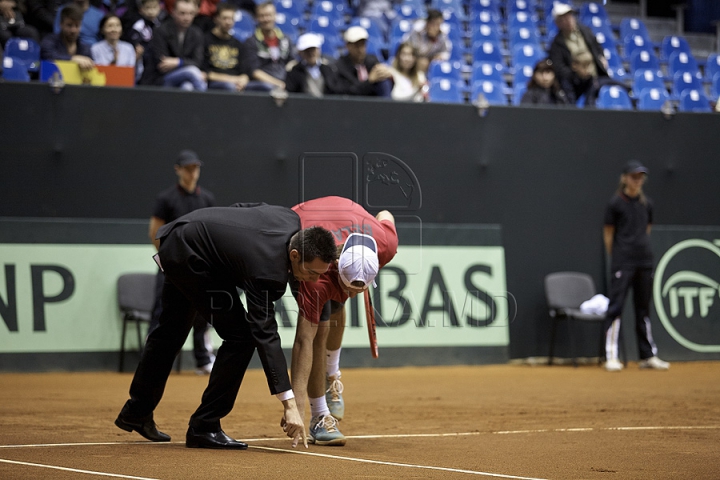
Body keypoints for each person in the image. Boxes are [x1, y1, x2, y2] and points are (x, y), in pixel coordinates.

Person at [116, 203, 338, 449]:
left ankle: (136, 411)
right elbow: (266, 335)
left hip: (183, 237)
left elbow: (243, 208)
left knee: (170, 331)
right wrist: (289, 404)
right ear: (294, 255)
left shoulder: (288, 218)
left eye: (321, 274)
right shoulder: (268, 273)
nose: (315, 281)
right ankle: (205, 425)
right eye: (311, 272)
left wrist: (221, 241)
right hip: (193, 258)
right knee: (241, 337)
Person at [290, 196, 398, 446]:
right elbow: (303, 340)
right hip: (303, 221)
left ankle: (332, 376)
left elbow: (385, 212)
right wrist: (296, 405)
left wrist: (345, 289)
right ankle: (319, 417)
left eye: (356, 291)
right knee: (319, 328)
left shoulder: (386, 245)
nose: (350, 295)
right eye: (346, 287)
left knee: (336, 304)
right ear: (335, 266)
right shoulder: (317, 276)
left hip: (349, 216)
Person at [147, 150, 216, 375]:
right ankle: (152, 359)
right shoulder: (166, 199)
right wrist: (168, 260)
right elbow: (154, 232)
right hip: (170, 266)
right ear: (178, 170)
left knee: (201, 313)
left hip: (198, 268)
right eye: (188, 168)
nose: (192, 172)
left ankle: (202, 360)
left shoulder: (206, 199)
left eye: (195, 168)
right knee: (161, 310)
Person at [603, 160, 670, 372]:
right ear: (624, 178)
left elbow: (647, 229)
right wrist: (619, 256)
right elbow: (608, 234)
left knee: (643, 310)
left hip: (645, 261)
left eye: (640, 177)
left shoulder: (647, 204)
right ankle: (611, 356)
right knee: (616, 308)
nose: (637, 181)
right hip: (623, 262)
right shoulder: (615, 204)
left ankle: (647, 356)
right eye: (634, 176)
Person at [548, 2, 623, 106]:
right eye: (563, 18)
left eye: (569, 16)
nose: (568, 20)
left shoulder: (585, 30)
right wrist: (576, 73)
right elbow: (559, 68)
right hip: (574, 82)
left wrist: (601, 57)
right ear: (557, 23)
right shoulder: (556, 44)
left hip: (595, 75)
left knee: (618, 86)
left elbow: (597, 46)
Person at [140, 0, 206, 90]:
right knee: (192, 71)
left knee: (187, 86)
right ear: (173, 12)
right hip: (160, 78)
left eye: (191, 13)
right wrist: (186, 64)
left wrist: (178, 62)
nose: (187, 17)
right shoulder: (161, 30)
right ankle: (205, 102)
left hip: (184, 78)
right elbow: (162, 63)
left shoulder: (196, 33)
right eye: (182, 13)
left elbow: (198, 61)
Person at [243, 1, 293, 91]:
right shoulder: (251, 41)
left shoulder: (285, 39)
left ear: (275, 16)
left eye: (269, 15)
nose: (266, 19)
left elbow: (291, 62)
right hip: (263, 84)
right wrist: (277, 83)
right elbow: (254, 72)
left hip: (284, 80)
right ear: (256, 18)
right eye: (262, 16)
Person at [203, 2, 250, 91]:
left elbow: (245, 72)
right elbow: (206, 73)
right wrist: (233, 80)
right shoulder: (205, 40)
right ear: (216, 19)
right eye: (225, 18)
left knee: (263, 87)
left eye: (231, 19)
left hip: (236, 83)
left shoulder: (238, 44)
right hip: (214, 84)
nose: (228, 22)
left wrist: (243, 80)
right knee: (229, 87)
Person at [333, 26, 392, 97]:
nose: (361, 50)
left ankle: (386, 106)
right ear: (348, 46)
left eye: (363, 45)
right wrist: (369, 81)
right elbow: (348, 90)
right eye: (357, 46)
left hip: (373, 104)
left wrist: (387, 74)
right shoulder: (340, 66)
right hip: (350, 105)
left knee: (384, 81)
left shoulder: (372, 60)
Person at [40, 4, 94, 70]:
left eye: (77, 26)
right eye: (69, 25)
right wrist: (72, 59)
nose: (73, 30)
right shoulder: (49, 41)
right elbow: (47, 56)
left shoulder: (85, 48)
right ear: (61, 24)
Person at [285, 32, 339, 97]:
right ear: (301, 53)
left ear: (318, 50)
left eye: (313, 49)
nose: (311, 53)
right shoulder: (295, 71)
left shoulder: (328, 69)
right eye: (307, 50)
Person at [121, 0, 164, 81]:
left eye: (154, 7)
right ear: (141, 10)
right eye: (148, 8)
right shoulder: (138, 26)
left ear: (159, 8)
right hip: (144, 58)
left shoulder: (161, 25)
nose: (151, 11)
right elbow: (136, 44)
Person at [405, 9, 451, 73]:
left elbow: (446, 52)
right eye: (434, 24)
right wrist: (431, 40)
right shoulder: (417, 31)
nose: (437, 27)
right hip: (411, 57)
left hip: (430, 60)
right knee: (423, 62)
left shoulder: (442, 34)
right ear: (428, 23)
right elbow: (418, 51)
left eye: (439, 24)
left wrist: (440, 56)